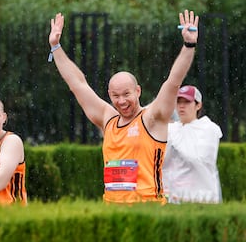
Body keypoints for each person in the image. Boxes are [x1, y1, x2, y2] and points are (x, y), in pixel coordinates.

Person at [48, 10, 199, 204]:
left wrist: (189, 45)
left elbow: (173, 82)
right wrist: (55, 47)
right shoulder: (108, 119)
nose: (121, 101)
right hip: (112, 209)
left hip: (147, 208)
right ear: (109, 95)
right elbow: (78, 84)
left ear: (138, 91)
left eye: (126, 94)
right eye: (115, 96)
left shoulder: (151, 118)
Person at [162, 85, 223, 204]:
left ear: (198, 105)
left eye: (187, 102)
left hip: (202, 198)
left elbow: (198, 159)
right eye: (178, 101)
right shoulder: (171, 129)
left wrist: (175, 142)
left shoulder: (209, 129)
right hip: (173, 199)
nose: (181, 106)